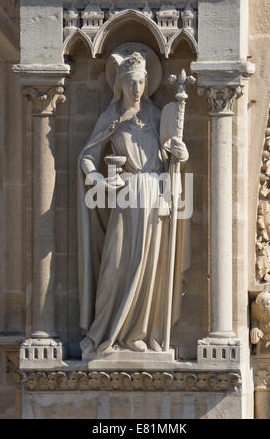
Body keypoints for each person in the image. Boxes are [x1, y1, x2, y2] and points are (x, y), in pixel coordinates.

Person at [77, 46, 188, 356]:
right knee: (115, 263)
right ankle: (103, 334)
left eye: (141, 82)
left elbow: (170, 159)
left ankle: (137, 333)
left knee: (147, 264)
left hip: (154, 195)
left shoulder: (156, 115)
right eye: (131, 82)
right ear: (120, 84)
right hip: (125, 196)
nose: (137, 89)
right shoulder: (111, 117)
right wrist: (97, 179)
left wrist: (182, 156)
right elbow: (88, 155)